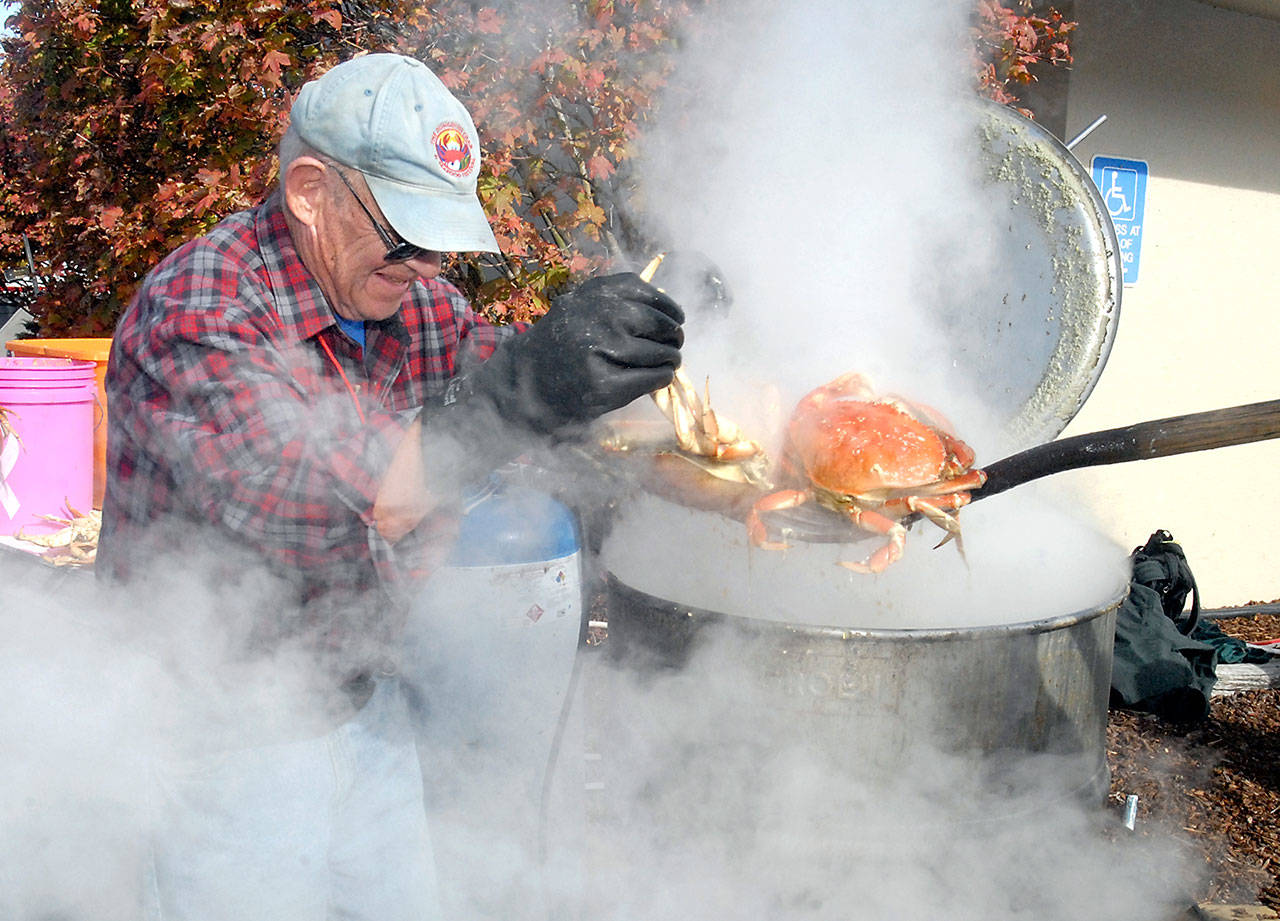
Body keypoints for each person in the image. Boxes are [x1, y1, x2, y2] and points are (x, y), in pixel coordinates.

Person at [96, 52, 683, 921]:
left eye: (441, 241)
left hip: (366, 704)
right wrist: (517, 396)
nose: (427, 264)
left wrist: (674, 408)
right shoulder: (203, 304)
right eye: (407, 233)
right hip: (217, 742)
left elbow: (526, 406)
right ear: (308, 192)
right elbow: (297, 513)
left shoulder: (406, 299)